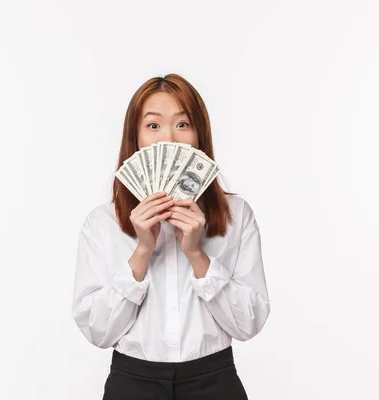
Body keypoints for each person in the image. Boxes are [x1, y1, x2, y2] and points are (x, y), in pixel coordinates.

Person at [72, 73, 271, 399]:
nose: (169, 139)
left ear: (199, 136)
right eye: (153, 126)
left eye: (182, 124)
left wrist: (197, 255)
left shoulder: (236, 215)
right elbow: (98, 332)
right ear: (134, 138)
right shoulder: (102, 223)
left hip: (214, 383)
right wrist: (142, 252)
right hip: (132, 384)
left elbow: (248, 325)